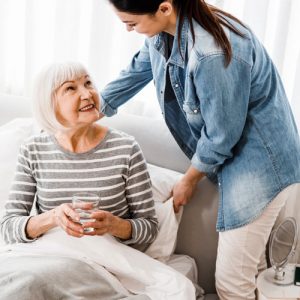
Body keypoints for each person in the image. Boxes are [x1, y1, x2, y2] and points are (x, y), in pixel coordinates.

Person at [100, 1, 300, 299]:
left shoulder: (210, 52)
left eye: (131, 23)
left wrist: (188, 180)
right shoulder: (162, 34)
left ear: (164, 8)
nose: (129, 30)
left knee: (232, 285)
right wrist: (94, 107)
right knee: (251, 271)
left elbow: (221, 136)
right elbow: (137, 69)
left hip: (261, 166)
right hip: (241, 157)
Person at [0, 61, 158, 253]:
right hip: (49, 256)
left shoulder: (126, 148)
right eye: (71, 88)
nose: (87, 94)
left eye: (88, 83)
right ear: (50, 103)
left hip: (107, 261)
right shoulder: (33, 150)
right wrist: (52, 218)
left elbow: (150, 228)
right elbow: (8, 227)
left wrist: (114, 225)